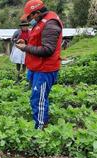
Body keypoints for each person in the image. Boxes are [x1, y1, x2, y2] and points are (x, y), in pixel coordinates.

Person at [16, 0, 63, 130]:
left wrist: (25, 48)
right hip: (37, 67)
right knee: (37, 97)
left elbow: (47, 50)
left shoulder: (51, 23)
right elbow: (39, 39)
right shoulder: (41, 21)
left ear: (37, 13)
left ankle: (40, 129)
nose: (29, 20)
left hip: (45, 69)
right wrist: (25, 40)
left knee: (39, 99)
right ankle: (41, 122)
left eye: (30, 16)